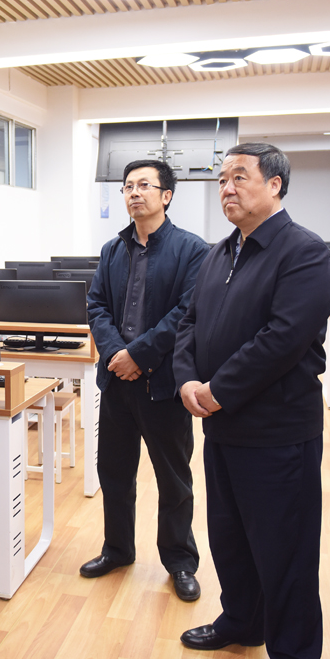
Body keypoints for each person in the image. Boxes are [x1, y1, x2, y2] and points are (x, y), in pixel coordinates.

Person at [174, 143, 330, 658]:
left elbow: (282, 340)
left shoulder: (304, 252)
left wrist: (217, 390)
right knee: (230, 539)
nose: (227, 188)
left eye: (239, 177)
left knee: (285, 554)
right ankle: (242, 621)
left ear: (275, 184)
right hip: (222, 428)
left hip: (277, 435)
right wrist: (186, 380)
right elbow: (189, 322)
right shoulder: (219, 252)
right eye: (222, 179)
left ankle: (294, 650)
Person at [80, 159, 209, 601]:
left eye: (144, 185)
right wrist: (117, 354)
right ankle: (117, 550)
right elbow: (96, 305)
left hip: (164, 384)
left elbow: (186, 313)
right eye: (128, 186)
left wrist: (138, 354)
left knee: (173, 479)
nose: (134, 193)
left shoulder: (192, 250)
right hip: (117, 382)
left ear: (166, 195)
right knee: (114, 472)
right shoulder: (112, 250)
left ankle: (180, 561)